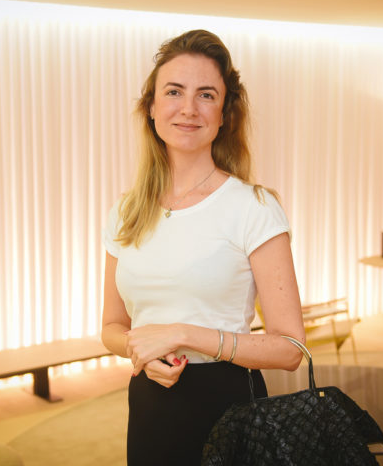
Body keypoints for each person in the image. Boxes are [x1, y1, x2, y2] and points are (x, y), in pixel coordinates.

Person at [101, 29, 305, 466]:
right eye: (174, 91)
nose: (189, 108)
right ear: (151, 107)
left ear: (225, 115)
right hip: (150, 405)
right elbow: (112, 327)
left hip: (229, 407)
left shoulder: (254, 207)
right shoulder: (125, 211)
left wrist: (183, 334)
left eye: (206, 95)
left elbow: (290, 349)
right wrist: (142, 351)